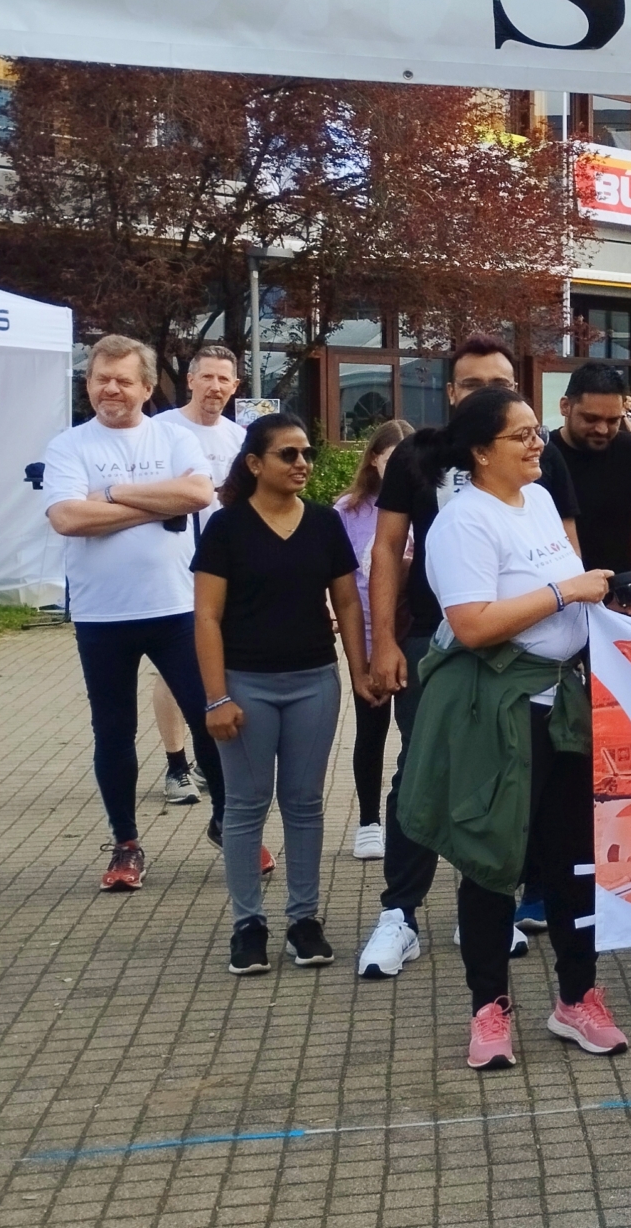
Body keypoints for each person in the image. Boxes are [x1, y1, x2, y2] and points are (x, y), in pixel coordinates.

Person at [397, 388, 627, 1068]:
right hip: (495, 708)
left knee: (574, 860)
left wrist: (600, 597)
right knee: (491, 858)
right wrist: (567, 592)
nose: (538, 444)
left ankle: (577, 996)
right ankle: (489, 1008)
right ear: (479, 452)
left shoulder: (541, 502)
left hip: (559, 707)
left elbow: (565, 594)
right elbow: (471, 625)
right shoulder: (463, 522)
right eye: (522, 435)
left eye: (537, 431)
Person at [356, 334, 581, 978]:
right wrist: (385, 642)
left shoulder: (541, 462)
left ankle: (479, 906)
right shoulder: (418, 457)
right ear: (451, 393)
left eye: (502, 385)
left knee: (502, 783)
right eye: (475, 385)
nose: (490, 394)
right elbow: (384, 550)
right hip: (439, 644)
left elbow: (568, 552)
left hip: (527, 660)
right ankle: (398, 913)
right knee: (423, 773)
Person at [42, 336, 224, 892]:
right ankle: (125, 843)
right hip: (102, 616)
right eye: (101, 378)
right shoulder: (68, 446)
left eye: (123, 379)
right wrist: (150, 508)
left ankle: (230, 826)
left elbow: (197, 494)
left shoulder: (173, 436)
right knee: (113, 732)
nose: (110, 389)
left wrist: (115, 494)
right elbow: (69, 518)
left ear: (147, 387)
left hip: (175, 606)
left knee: (210, 720)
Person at [194, 413, 371, 975]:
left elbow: (347, 603)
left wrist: (360, 670)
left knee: (304, 804)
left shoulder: (323, 523)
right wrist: (216, 697)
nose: (301, 464)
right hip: (246, 686)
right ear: (254, 464)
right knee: (245, 806)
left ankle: (304, 921)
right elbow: (206, 615)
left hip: (314, 682)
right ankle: (248, 925)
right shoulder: (226, 527)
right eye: (287, 454)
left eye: (305, 454)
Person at [152, 346, 245, 806]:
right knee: (176, 665)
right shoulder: (162, 430)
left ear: (235, 387)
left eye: (223, 380)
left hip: (226, 568)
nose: (215, 387)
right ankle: (175, 764)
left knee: (221, 662)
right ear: (189, 381)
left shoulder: (240, 437)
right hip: (174, 565)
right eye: (206, 377)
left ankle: (213, 761)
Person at [334, 420, 411, 861]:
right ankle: (368, 821)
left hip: (415, 635)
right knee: (372, 729)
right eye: (389, 460)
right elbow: (340, 582)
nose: (397, 468)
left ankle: (410, 820)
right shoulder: (350, 510)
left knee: (416, 733)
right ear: (374, 460)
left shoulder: (427, 503)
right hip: (366, 635)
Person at [551, 365, 631, 619]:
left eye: (613, 420)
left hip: (615, 605)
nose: (602, 429)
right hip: (552, 605)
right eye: (591, 419)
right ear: (565, 406)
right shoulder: (541, 456)